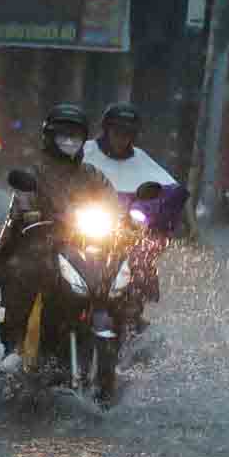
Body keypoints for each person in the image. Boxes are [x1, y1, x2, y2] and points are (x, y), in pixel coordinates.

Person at [0, 103, 117, 370]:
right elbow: (23, 202)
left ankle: (121, 341)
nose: (70, 141)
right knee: (26, 271)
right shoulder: (35, 172)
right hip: (37, 246)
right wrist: (31, 215)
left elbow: (112, 203)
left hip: (82, 249)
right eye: (63, 135)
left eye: (75, 135)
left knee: (116, 280)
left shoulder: (91, 175)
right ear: (50, 136)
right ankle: (12, 343)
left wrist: (126, 222)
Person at [82, 102, 187, 316]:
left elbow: (170, 195)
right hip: (81, 233)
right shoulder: (84, 153)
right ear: (107, 129)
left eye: (127, 133)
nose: (121, 137)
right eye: (117, 131)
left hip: (123, 239)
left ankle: (131, 323)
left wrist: (147, 223)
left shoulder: (142, 162)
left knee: (138, 271)